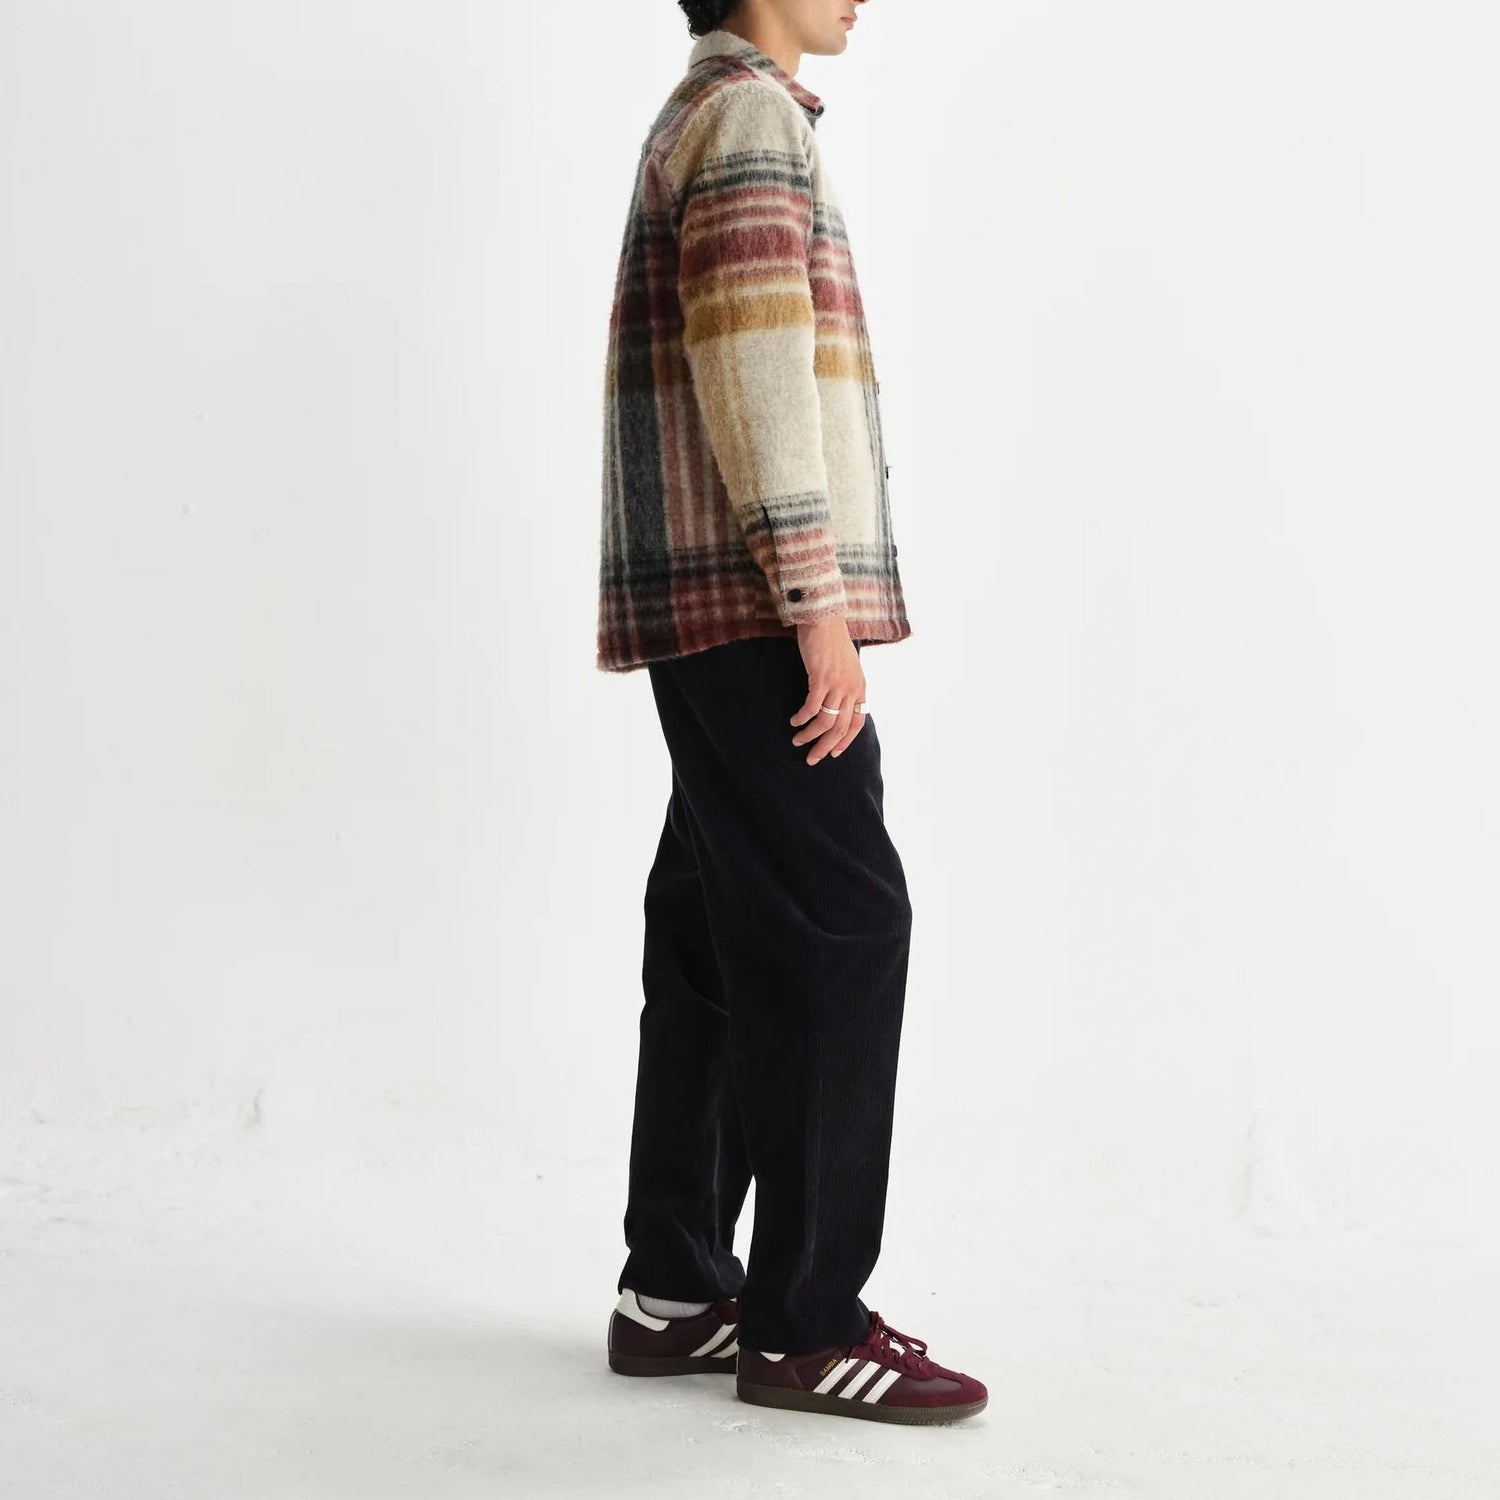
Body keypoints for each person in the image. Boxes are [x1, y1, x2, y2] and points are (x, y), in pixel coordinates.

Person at [596, 0, 987, 1425]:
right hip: (757, 606)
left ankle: (676, 1288)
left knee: (716, 933)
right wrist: (816, 601)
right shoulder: (750, 117)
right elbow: (756, 368)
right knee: (841, 925)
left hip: (708, 602)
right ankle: (806, 1323)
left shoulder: (702, 111)